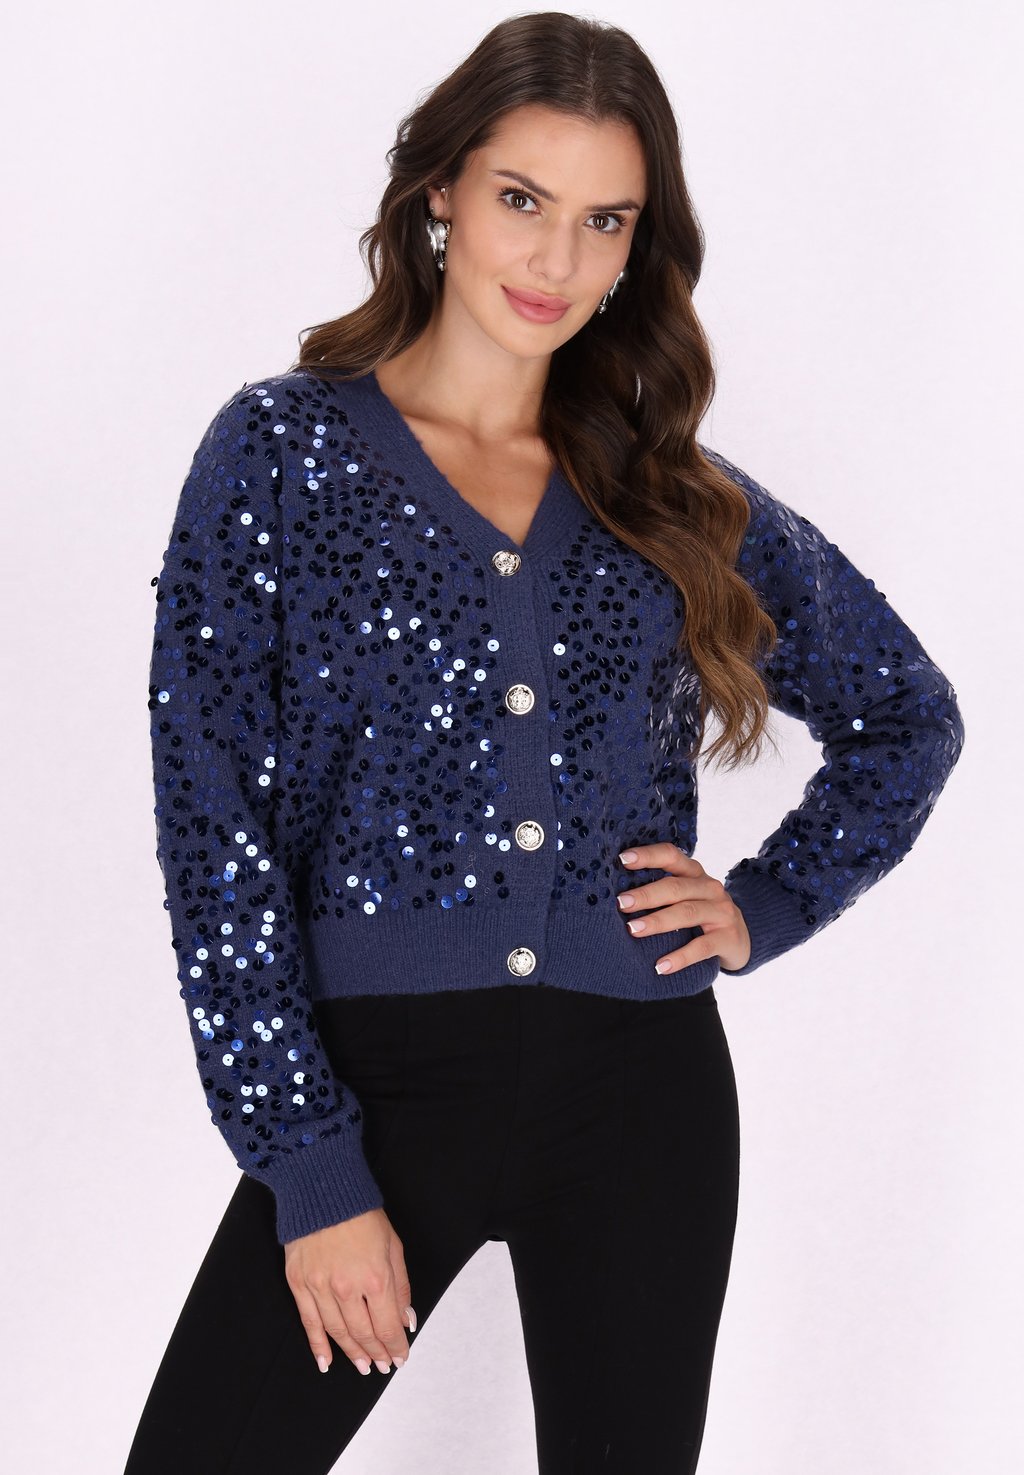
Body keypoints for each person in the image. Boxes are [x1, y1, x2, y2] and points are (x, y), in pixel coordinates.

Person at [124, 13, 965, 1474]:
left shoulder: (672, 496)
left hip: (641, 1089)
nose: (555, 259)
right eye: (522, 198)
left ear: (639, 247)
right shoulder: (279, 456)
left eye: (604, 220)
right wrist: (309, 1167)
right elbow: (216, 834)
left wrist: (764, 906)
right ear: (439, 190)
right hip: (377, 1093)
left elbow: (911, 715)